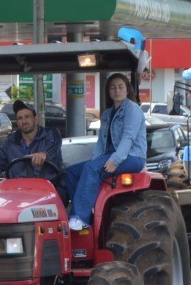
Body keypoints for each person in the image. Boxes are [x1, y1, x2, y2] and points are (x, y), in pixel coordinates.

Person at [62, 73, 146, 232]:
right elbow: (101, 141)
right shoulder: (108, 113)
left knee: (92, 169)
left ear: (127, 90)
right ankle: (88, 212)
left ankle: (79, 217)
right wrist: (93, 161)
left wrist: (116, 160)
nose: (117, 90)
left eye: (121, 87)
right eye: (113, 87)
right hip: (111, 156)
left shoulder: (132, 110)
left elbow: (128, 137)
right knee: (72, 172)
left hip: (132, 157)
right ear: (108, 91)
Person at [0, 100, 62, 182]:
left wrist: (44, 154)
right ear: (17, 123)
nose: (24, 121)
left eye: (27, 117)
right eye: (20, 118)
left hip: (48, 190)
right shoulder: (10, 143)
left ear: (36, 119)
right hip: (18, 192)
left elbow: (53, 148)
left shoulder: (51, 134)